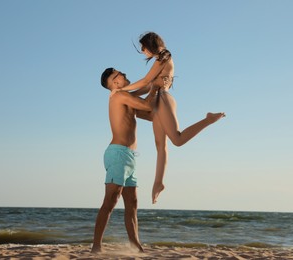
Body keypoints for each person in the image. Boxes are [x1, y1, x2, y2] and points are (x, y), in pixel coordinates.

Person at [111, 32, 225, 204]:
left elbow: (145, 80)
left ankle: (208, 119)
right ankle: (158, 183)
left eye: (143, 47)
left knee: (177, 140)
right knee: (160, 146)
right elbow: (147, 86)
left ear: (151, 44)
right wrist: (125, 96)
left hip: (162, 99)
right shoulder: (160, 59)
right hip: (157, 100)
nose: (142, 51)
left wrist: (121, 91)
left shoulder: (165, 55)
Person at [91, 68, 156, 253]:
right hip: (118, 154)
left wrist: (157, 86)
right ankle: (96, 246)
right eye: (117, 75)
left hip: (130, 157)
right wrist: (154, 89)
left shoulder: (126, 96)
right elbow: (147, 105)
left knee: (132, 204)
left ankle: (135, 245)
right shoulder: (118, 96)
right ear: (114, 83)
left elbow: (145, 94)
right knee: (110, 201)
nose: (123, 74)